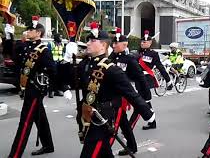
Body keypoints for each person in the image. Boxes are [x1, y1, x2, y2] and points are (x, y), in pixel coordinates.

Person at [65, 30, 155, 157]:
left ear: (103, 45)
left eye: (92, 41)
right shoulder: (86, 64)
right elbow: (71, 80)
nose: (88, 43)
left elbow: (131, 93)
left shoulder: (112, 69)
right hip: (87, 117)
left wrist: (147, 113)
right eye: (88, 40)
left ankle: (131, 145)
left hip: (101, 120)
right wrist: (68, 61)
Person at [8, 22, 55, 157]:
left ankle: (15, 154)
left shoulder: (44, 50)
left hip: (35, 90)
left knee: (25, 121)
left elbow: (52, 71)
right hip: (26, 87)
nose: (27, 31)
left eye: (30, 30)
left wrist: (45, 88)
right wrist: (17, 40)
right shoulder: (25, 46)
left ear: (38, 33)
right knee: (39, 117)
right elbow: (15, 60)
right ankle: (48, 145)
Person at [108, 29, 154, 155]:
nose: (113, 45)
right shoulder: (111, 57)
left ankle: (104, 150)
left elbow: (140, 77)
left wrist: (146, 95)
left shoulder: (129, 59)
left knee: (115, 124)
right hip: (112, 95)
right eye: (113, 43)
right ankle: (132, 146)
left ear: (124, 44)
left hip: (121, 97)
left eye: (116, 44)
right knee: (123, 123)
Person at [128, 30, 171, 130]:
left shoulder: (153, 54)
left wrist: (168, 80)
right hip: (138, 80)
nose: (143, 43)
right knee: (146, 102)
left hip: (146, 80)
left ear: (150, 43)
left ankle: (129, 126)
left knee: (140, 103)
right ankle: (152, 122)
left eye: (145, 42)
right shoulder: (136, 52)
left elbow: (160, 67)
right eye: (142, 42)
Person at [47, 33, 64, 97]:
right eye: (60, 37)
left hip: (60, 62)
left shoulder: (62, 44)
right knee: (52, 77)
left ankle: (58, 90)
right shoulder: (51, 44)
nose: (61, 39)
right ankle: (51, 91)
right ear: (57, 38)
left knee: (59, 77)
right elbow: (48, 54)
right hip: (53, 63)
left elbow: (62, 53)